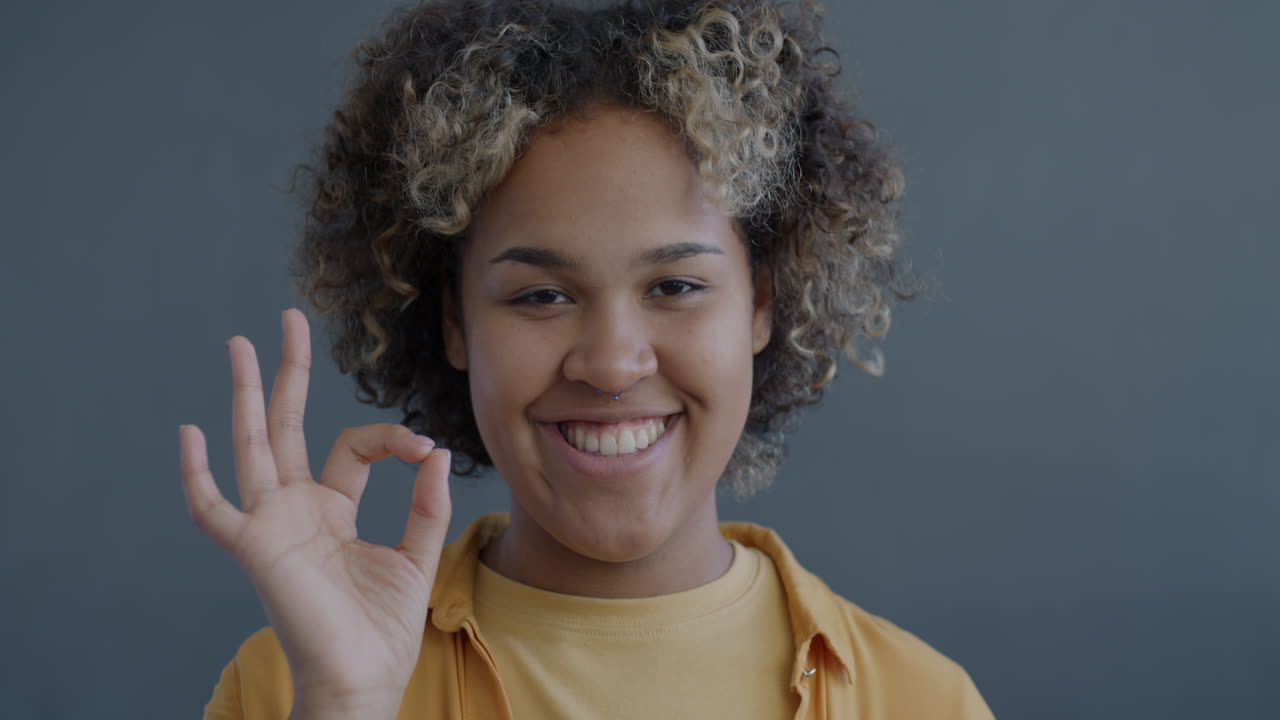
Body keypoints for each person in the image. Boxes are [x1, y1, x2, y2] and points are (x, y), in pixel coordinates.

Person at [178, 0, 996, 718]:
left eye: (675, 284)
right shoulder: (293, 687)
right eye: (540, 296)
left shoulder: (922, 702)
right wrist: (345, 706)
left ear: (761, 305)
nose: (611, 363)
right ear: (454, 322)